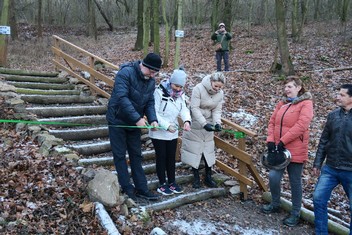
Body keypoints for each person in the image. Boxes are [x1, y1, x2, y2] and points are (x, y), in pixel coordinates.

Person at [106, 52, 162, 201]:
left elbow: (150, 102)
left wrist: (153, 119)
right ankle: (127, 188)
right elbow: (121, 98)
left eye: (155, 72)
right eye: (151, 71)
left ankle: (142, 188)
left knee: (136, 155)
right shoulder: (125, 73)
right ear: (143, 65)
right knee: (119, 156)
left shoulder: (150, 80)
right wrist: (137, 118)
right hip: (117, 120)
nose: (152, 75)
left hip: (133, 123)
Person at [261, 76, 314, 227]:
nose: (286, 90)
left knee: (295, 181)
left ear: (298, 87)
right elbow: (272, 122)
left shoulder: (306, 103)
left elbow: (302, 125)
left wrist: (284, 140)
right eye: (285, 87)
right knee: (273, 176)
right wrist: (271, 140)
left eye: (290, 87)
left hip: (295, 149)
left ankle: (295, 213)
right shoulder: (282, 104)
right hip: (279, 149)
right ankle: (275, 204)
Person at [312, 84, 352, 235]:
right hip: (330, 168)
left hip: (350, 170)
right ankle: (321, 232)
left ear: (351, 98)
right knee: (318, 199)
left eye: (342, 95)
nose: (338, 97)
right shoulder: (333, 115)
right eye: (338, 94)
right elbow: (323, 141)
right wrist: (317, 163)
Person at [149, 68, 192, 196]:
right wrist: (166, 125)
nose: (178, 89)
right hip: (159, 130)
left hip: (172, 132)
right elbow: (154, 112)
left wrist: (187, 121)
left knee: (171, 157)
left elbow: (184, 109)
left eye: (180, 86)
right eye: (176, 85)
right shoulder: (159, 92)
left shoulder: (181, 95)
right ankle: (162, 183)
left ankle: (172, 181)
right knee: (161, 157)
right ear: (171, 82)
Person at [181, 72, 225, 189]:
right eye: (216, 86)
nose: (217, 89)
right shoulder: (198, 89)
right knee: (195, 150)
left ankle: (208, 177)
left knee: (208, 152)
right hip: (196, 123)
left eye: (220, 87)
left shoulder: (220, 93)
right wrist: (203, 123)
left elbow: (217, 110)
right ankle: (196, 178)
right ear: (211, 82)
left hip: (209, 124)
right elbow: (194, 107)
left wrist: (217, 123)